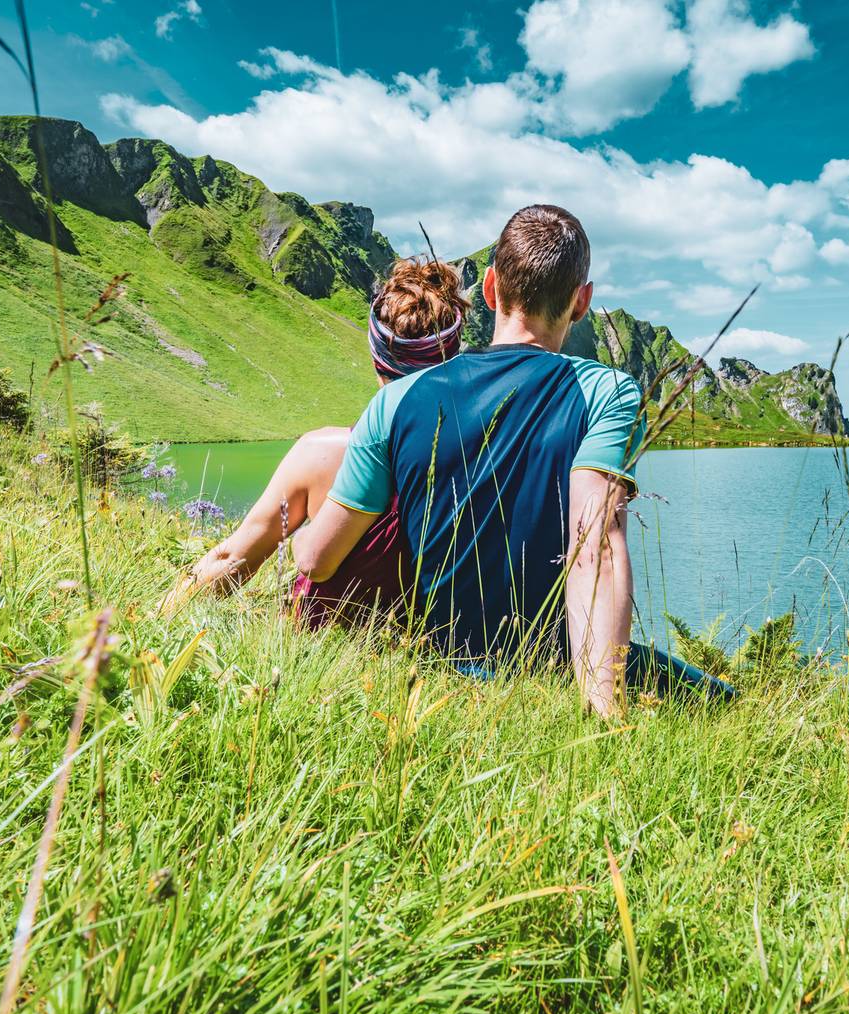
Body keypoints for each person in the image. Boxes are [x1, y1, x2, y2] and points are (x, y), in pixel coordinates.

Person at [291, 204, 729, 716]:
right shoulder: (608, 392)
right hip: (557, 663)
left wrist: (299, 523)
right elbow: (597, 545)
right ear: (582, 301)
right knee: (731, 709)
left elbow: (315, 561)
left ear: (492, 287)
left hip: (436, 668)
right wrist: (604, 712)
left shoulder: (396, 400)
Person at [163, 257, 469, 623]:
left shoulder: (321, 453)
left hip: (320, 653)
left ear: (377, 357)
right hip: (439, 655)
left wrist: (155, 618)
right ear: (451, 355)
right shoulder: (486, 453)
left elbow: (232, 560)